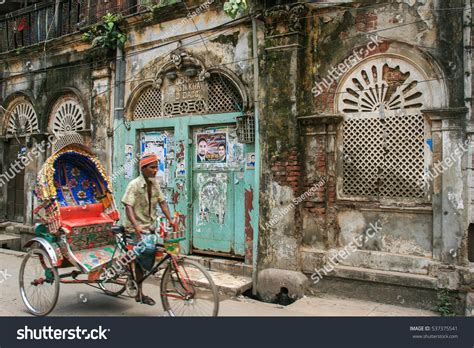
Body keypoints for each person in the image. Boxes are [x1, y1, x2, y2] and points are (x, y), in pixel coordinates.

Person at [121, 153, 174, 306]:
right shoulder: (134, 185)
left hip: (149, 228)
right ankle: (137, 290)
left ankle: (133, 270)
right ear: (143, 169)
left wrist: (171, 219)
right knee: (140, 260)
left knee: (148, 257)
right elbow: (128, 206)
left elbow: (163, 202)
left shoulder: (155, 184)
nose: (155, 170)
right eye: (152, 167)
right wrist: (136, 226)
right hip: (134, 229)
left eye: (157, 167)